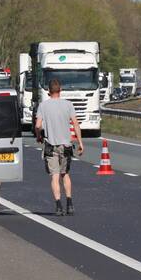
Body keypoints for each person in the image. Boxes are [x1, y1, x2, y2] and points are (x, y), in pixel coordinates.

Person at [35, 79, 84, 216]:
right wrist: (80, 143)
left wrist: (39, 136)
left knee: (55, 176)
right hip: (66, 145)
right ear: (60, 90)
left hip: (51, 146)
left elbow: (38, 125)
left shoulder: (43, 106)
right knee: (65, 175)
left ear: (49, 91)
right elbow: (75, 124)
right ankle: (69, 203)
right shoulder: (68, 105)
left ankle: (58, 206)